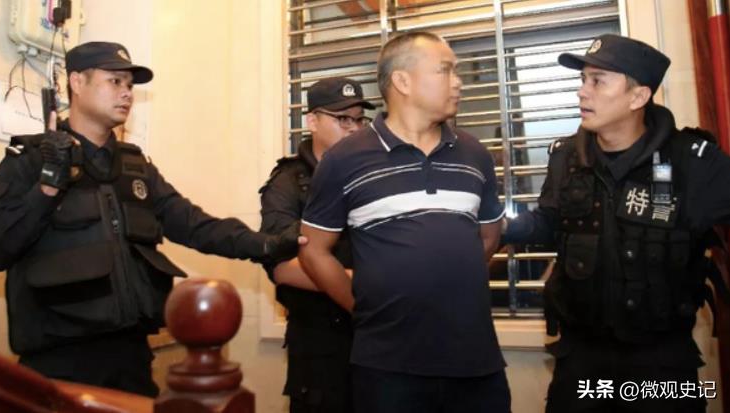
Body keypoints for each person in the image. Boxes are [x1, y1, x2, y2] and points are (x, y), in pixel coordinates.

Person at [0, 41, 300, 397]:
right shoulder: (29, 160)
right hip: (58, 364)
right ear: (77, 82)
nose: (127, 93)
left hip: (131, 359)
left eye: (130, 85)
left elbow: (194, 225)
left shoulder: (136, 167)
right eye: (114, 81)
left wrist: (267, 244)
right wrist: (48, 186)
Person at [504, 34, 730, 412]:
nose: (582, 91)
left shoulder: (693, 163)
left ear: (638, 97)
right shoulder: (566, 158)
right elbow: (548, 221)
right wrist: (498, 229)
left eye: (598, 81)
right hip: (582, 362)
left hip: (662, 364)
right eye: (583, 80)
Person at [298, 31, 511, 413]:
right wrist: (363, 308)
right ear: (402, 81)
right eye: (445, 70)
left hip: (476, 364)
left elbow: (487, 240)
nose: (458, 82)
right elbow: (313, 251)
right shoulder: (344, 160)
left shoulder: (474, 154)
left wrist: (446, 282)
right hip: (387, 368)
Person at [259, 77, 374, 412]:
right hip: (320, 344)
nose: (354, 129)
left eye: (359, 120)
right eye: (343, 119)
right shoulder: (288, 183)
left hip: (377, 340)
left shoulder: (374, 176)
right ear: (312, 121)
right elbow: (282, 267)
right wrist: (366, 287)